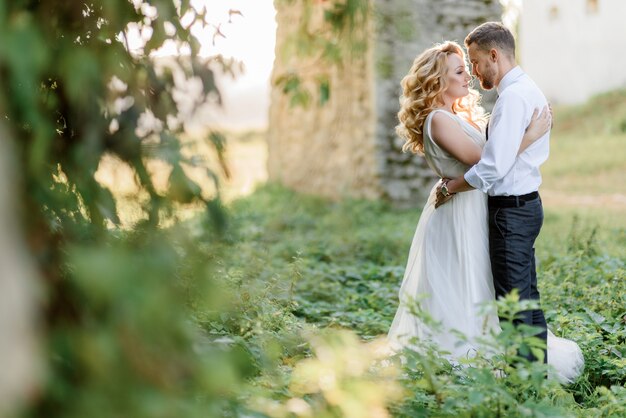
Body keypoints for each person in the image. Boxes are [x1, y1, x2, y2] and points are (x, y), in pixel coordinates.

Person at [386, 35, 584, 383]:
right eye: (461, 70)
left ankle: (514, 361)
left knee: (489, 286)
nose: (469, 76)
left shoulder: (453, 116)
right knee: (464, 286)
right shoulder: (438, 119)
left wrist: (454, 182)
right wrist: (531, 133)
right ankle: (472, 359)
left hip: (471, 204)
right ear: (437, 80)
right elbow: (490, 162)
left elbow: (486, 161)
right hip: (458, 213)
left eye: (470, 67)